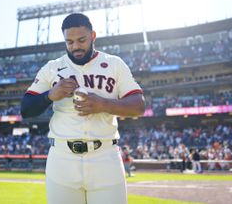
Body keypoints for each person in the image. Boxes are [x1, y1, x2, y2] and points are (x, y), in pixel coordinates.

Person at [21, 13, 145, 204]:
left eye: (81, 40)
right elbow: (26, 110)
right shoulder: (52, 67)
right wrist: (49, 95)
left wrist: (104, 104)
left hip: (105, 157)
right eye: (69, 42)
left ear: (93, 36)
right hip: (62, 159)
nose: (76, 46)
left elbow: (139, 106)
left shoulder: (114, 64)